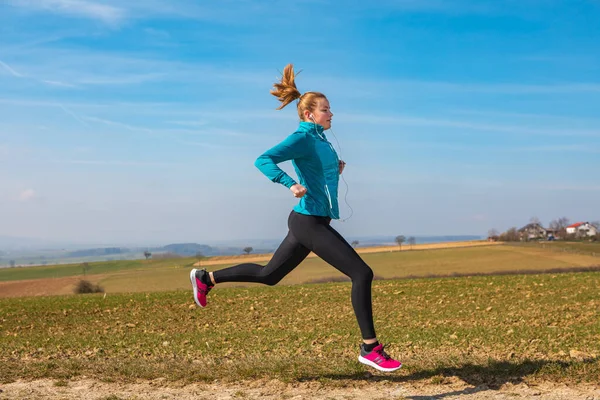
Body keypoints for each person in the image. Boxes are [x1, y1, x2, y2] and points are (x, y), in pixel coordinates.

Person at [190, 64, 401, 372]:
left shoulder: (320, 139)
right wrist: (289, 183)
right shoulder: (302, 137)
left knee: (269, 276)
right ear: (309, 114)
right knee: (361, 273)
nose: (331, 114)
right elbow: (263, 160)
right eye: (325, 109)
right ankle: (370, 348)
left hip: (313, 220)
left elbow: (317, 168)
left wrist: (334, 168)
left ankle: (206, 279)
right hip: (307, 222)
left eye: (330, 109)